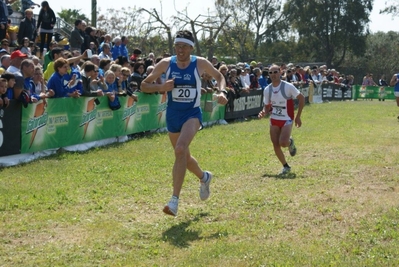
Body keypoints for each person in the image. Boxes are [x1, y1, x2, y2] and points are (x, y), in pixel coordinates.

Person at [141, 30, 228, 216]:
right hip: (173, 114)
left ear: (191, 47)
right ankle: (204, 177)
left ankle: (174, 201)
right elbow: (143, 85)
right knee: (185, 157)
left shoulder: (200, 63)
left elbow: (220, 76)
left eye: (184, 46)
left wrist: (222, 92)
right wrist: (161, 87)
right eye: (177, 46)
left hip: (192, 114)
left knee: (180, 149)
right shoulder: (166, 64)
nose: (180, 50)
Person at [258, 64, 305, 175]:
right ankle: (285, 166)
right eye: (270, 73)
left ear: (280, 72)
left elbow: (301, 98)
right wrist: (263, 112)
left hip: (287, 118)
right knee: (275, 144)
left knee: (283, 142)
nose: (273, 75)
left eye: (275, 72)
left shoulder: (288, 86)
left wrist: (298, 116)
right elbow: (267, 105)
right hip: (274, 119)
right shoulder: (267, 89)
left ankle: (290, 142)